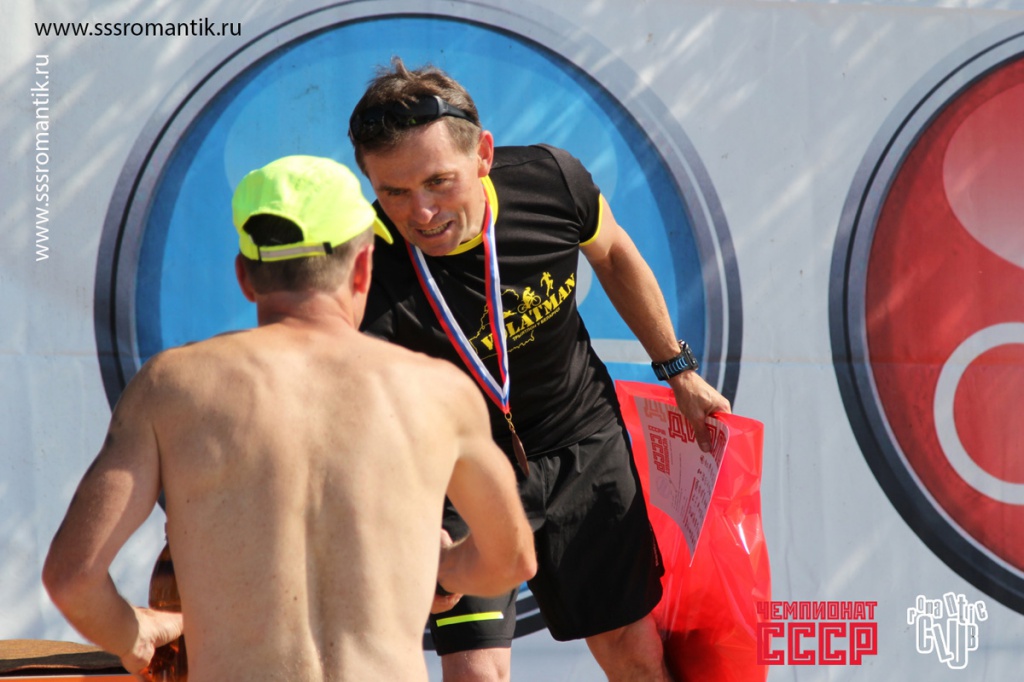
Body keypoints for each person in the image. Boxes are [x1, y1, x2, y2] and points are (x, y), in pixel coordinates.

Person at [42, 155, 536, 682]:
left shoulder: (171, 388)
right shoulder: (439, 392)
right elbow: (511, 559)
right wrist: (445, 567)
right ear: (363, 267)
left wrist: (134, 634)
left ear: (244, 277)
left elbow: (74, 579)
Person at [348, 59, 732, 682]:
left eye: (439, 181)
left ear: (483, 155)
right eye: (393, 192)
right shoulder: (365, 259)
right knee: (476, 674)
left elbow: (614, 254)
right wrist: (406, 515)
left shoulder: (550, 181)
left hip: (579, 435)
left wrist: (679, 369)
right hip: (457, 471)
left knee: (635, 655)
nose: (420, 212)